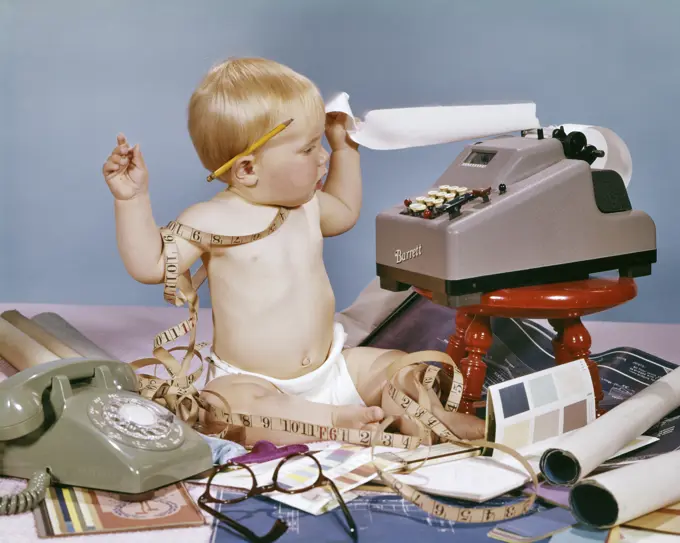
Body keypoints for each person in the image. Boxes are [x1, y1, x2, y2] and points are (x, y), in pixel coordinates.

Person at [102, 57, 484, 446]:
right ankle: (336, 421)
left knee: (398, 364)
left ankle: (427, 417)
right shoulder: (210, 219)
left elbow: (347, 211)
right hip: (257, 382)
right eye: (307, 149)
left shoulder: (307, 205)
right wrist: (132, 200)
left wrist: (345, 149)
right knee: (227, 408)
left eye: (321, 144)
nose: (321, 157)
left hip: (333, 368)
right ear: (247, 169)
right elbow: (153, 265)